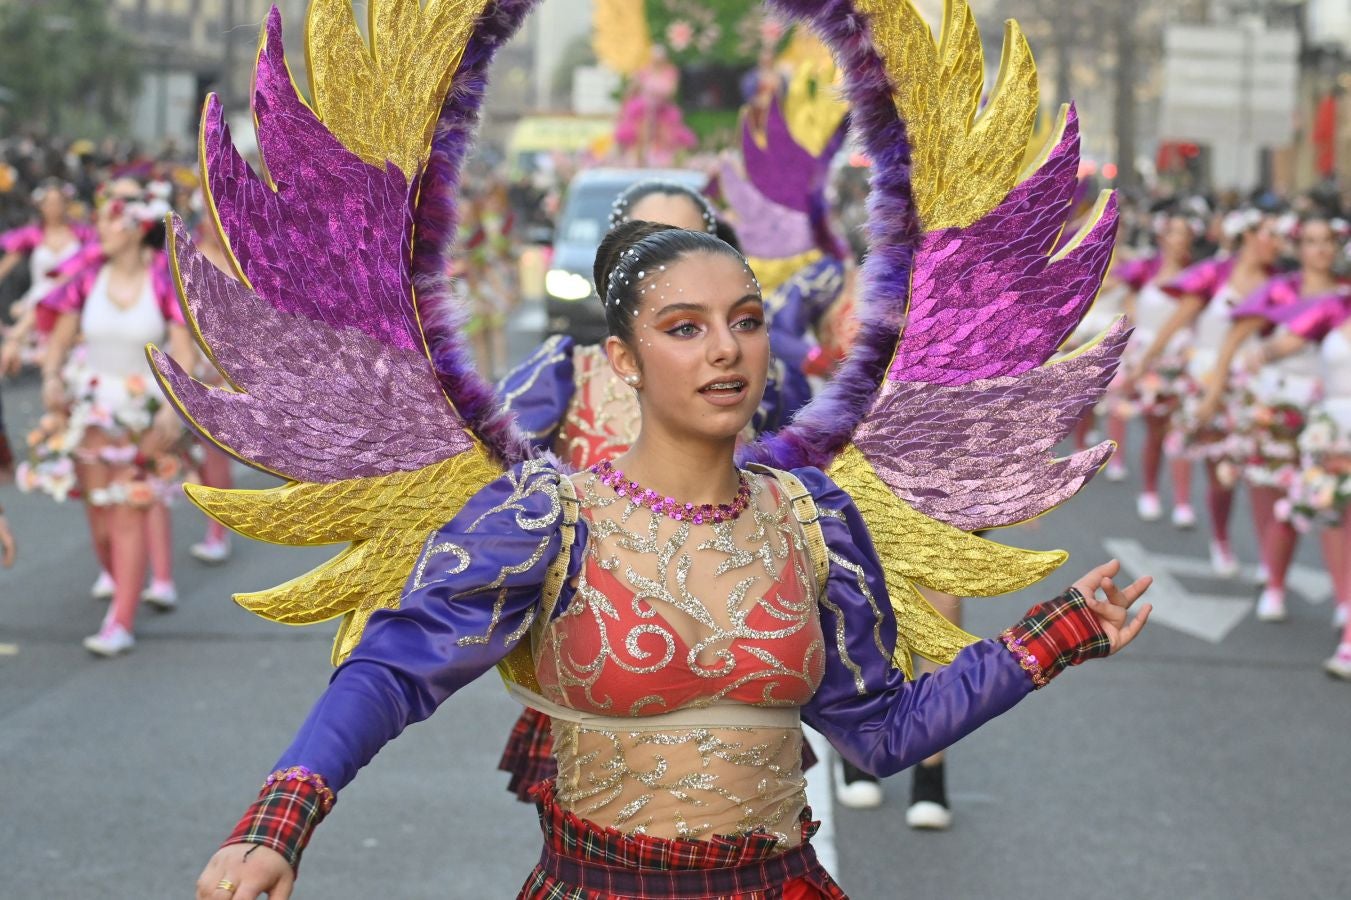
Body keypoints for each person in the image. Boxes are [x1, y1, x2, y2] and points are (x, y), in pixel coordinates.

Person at [195, 221, 1151, 899]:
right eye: (684, 327)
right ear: (622, 360)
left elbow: (880, 732)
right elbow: (393, 669)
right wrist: (280, 824)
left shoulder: (815, 520)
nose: (724, 351)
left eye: (745, 320)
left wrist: (1051, 638)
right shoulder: (545, 520)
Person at [20, 178, 194, 655]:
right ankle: (122, 586)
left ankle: (120, 620)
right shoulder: (87, 279)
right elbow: (58, 341)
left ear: (136, 227)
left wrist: (176, 406)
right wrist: (51, 378)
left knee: (128, 510)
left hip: (144, 417)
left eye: (108, 220)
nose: (98, 228)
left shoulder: (164, 279)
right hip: (93, 415)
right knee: (100, 519)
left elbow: (183, 350)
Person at [1196, 214, 1350, 621]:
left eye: (1327, 240)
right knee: (1271, 490)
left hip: (1328, 413)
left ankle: (1335, 595)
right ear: (1298, 248)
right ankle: (1272, 572)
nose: (1320, 249)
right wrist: (1214, 391)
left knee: (1320, 496)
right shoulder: (1281, 289)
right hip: (1277, 404)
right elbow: (1235, 338)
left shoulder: (1344, 296)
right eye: (1311, 241)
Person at [1134, 210, 1279, 576]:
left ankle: (1269, 557)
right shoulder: (1215, 274)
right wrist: (1143, 362)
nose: (1278, 243)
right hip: (1209, 384)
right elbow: (1177, 320)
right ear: (1248, 236)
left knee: (1262, 474)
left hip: (1257, 390)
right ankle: (1222, 540)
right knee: (1222, 472)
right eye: (1270, 234)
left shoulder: (1280, 284)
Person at [1112, 212, 1200, 525]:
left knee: (1180, 431)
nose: (1179, 238)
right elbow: (1126, 296)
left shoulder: (1199, 276)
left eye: (1185, 233)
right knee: (1155, 431)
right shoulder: (1145, 270)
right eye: (1174, 231)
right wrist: (1134, 339)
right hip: (1147, 359)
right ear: (1163, 237)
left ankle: (1183, 502)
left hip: (1182, 360)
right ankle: (1149, 491)